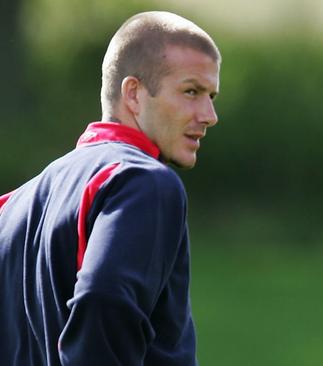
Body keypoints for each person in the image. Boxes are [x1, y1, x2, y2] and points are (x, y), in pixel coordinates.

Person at [0, 11, 220, 365]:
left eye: (211, 95)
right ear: (133, 94)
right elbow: (105, 299)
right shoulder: (143, 181)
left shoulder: (14, 204)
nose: (209, 115)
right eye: (191, 91)